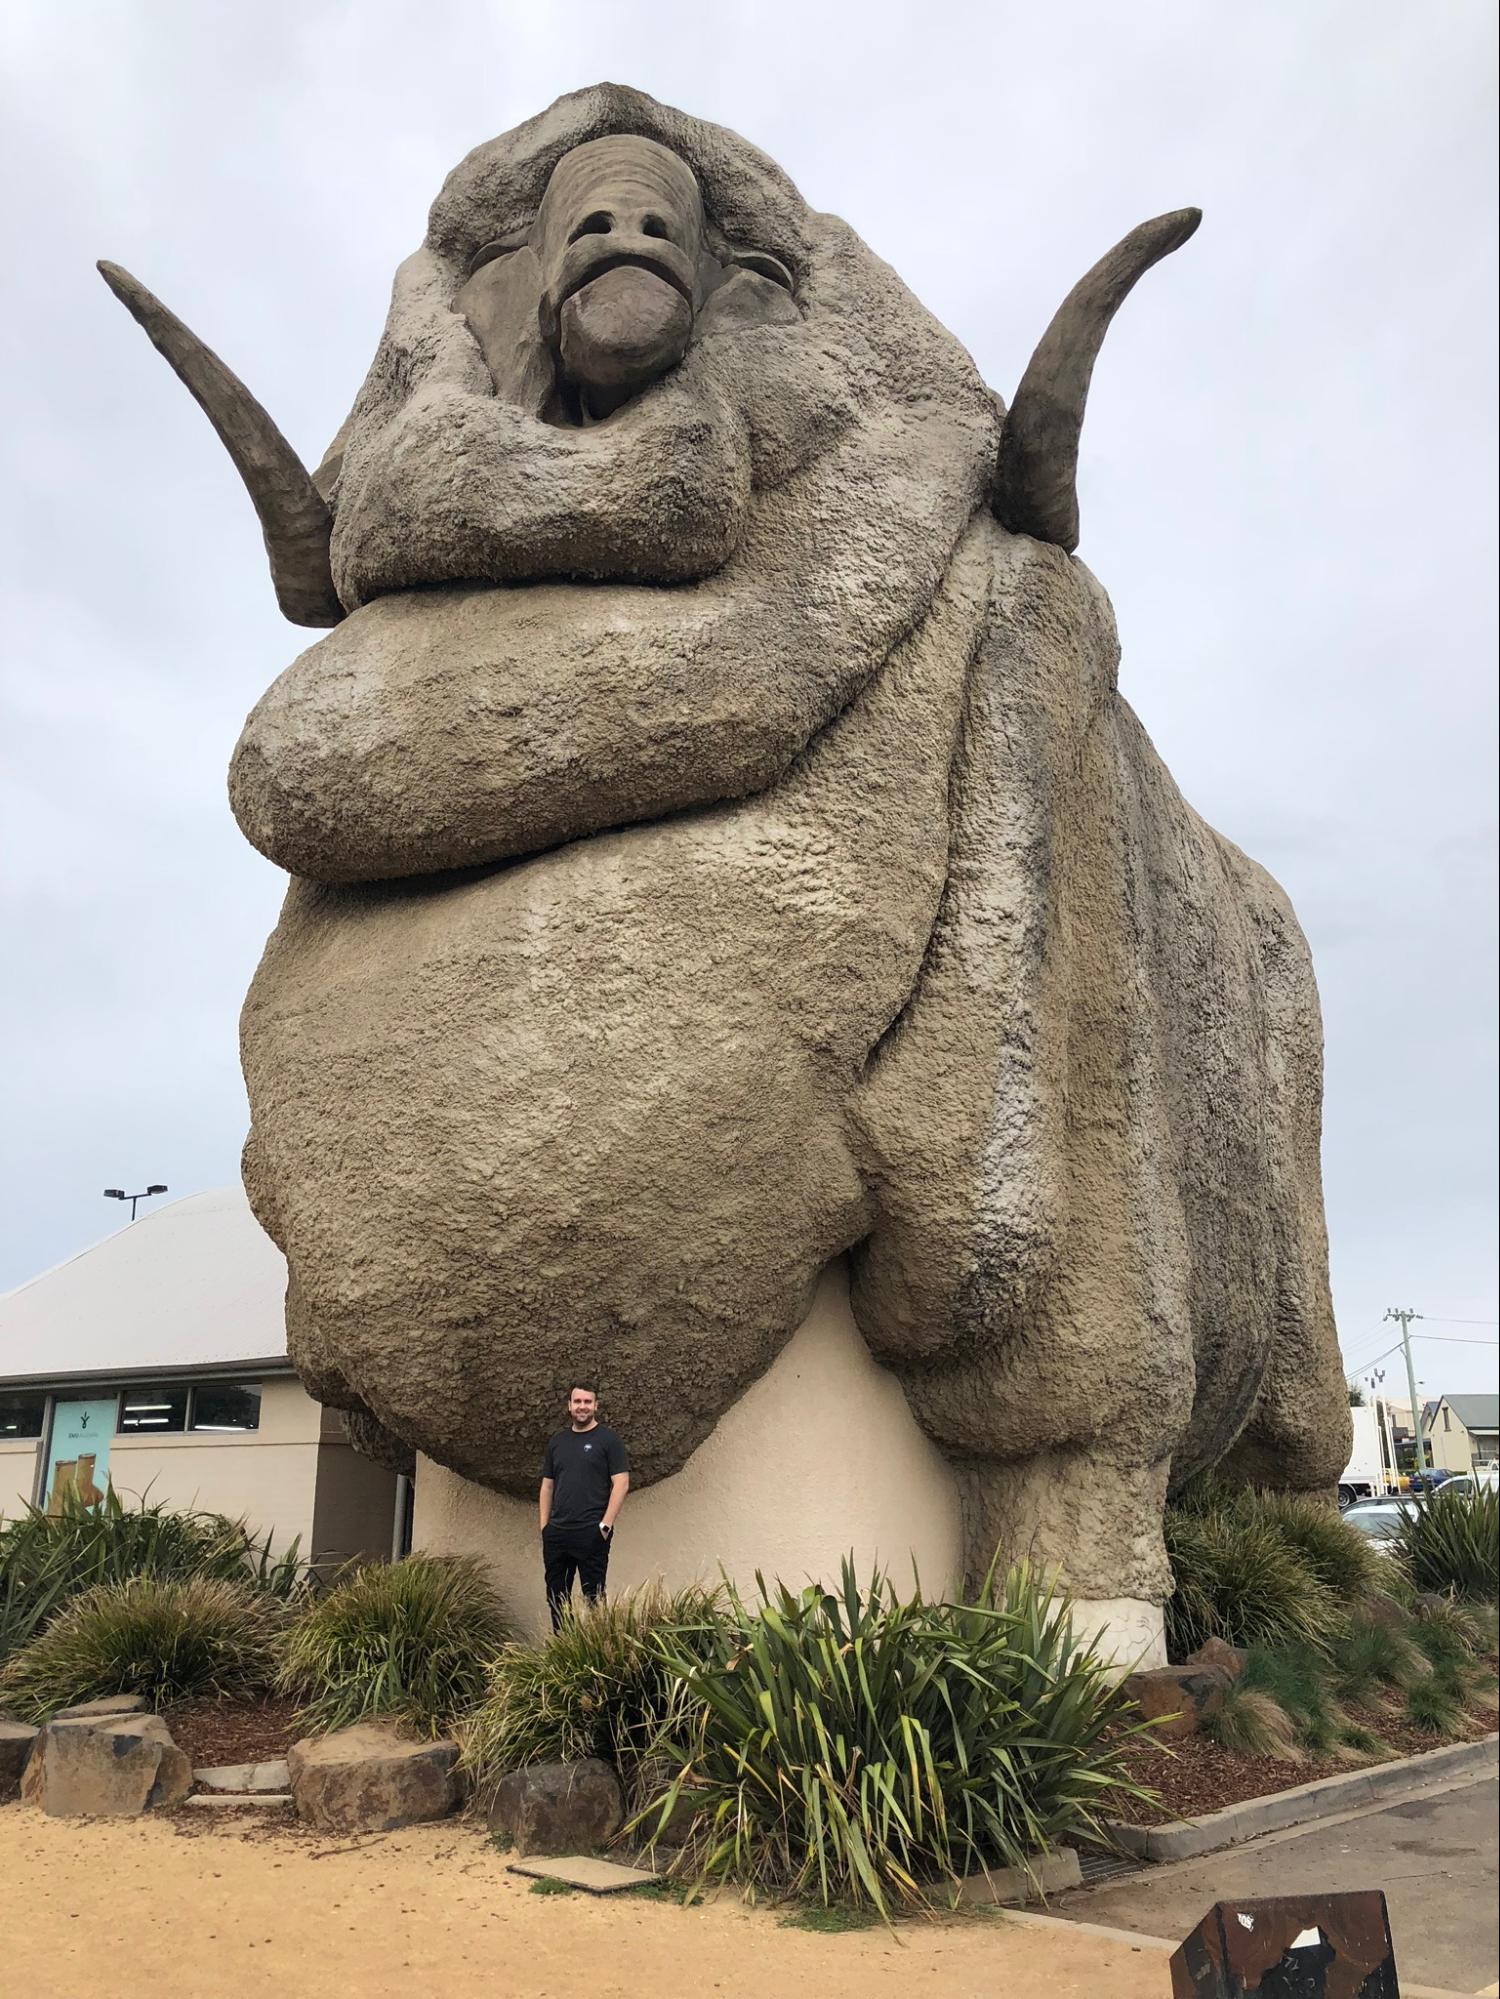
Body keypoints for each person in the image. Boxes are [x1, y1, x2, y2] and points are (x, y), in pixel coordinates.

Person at [539, 1381, 630, 1629]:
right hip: (557, 1534)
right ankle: (563, 1652)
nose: (582, 1406)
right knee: (557, 1599)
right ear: (569, 1406)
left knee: (594, 1600)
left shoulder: (608, 1440)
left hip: (591, 1533)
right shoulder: (557, 1443)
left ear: (596, 1406)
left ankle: (595, 1654)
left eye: (587, 1402)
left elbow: (621, 1483)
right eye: (577, 1402)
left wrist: (605, 1526)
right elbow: (547, 1486)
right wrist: (545, 1528)